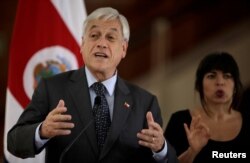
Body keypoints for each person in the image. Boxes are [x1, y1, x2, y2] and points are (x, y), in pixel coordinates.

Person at [7, 7, 178, 163]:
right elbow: (14, 142)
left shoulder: (144, 103)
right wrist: (42, 131)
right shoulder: (52, 88)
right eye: (94, 35)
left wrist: (161, 149)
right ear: (82, 44)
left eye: (111, 37)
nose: (101, 43)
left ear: (124, 49)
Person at [164, 52, 250, 163]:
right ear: (199, 85)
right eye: (211, 76)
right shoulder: (180, 121)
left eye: (227, 76)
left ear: (235, 86)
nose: (220, 82)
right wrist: (192, 152)